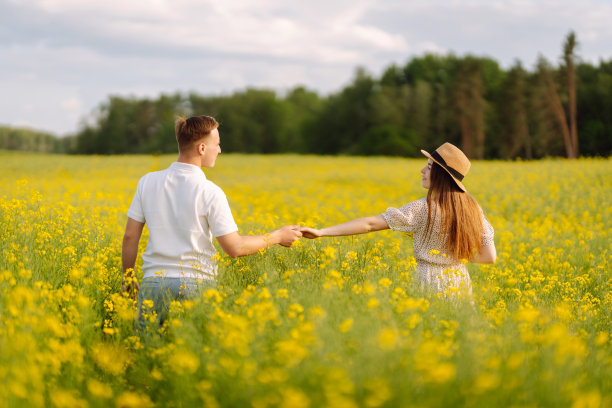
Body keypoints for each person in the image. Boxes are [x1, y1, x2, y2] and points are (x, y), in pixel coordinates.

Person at [121, 115, 301, 331]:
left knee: (147, 355)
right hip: (195, 285)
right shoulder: (210, 191)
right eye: (217, 144)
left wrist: (128, 278)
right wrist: (278, 236)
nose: (220, 150)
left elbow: (130, 236)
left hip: (153, 284)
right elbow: (235, 248)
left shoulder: (147, 182)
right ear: (202, 148)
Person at [300, 142, 496, 296]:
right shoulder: (473, 210)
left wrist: (321, 232)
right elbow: (489, 257)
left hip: (429, 282)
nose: (422, 171)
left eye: (428, 167)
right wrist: (454, 257)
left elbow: (369, 224)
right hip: (459, 283)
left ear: (441, 175)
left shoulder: (423, 208)